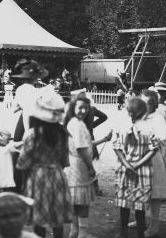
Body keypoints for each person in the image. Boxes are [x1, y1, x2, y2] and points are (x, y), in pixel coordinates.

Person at [17, 88, 72, 238]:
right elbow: (65, 161)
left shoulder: (32, 135)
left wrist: (23, 186)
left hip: (37, 178)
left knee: (38, 217)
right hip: (57, 176)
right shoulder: (62, 134)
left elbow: (23, 163)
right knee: (57, 216)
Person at [64, 94, 111, 238]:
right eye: (80, 107)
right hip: (79, 165)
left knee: (75, 201)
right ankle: (82, 233)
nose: (83, 111)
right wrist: (90, 167)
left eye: (86, 108)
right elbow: (81, 149)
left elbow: (85, 144)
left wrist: (103, 139)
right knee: (82, 202)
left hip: (73, 165)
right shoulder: (77, 124)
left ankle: (74, 230)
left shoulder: (74, 122)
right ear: (73, 108)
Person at [113, 97, 160, 238]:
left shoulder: (122, 126)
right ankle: (140, 233)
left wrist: (128, 165)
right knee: (140, 206)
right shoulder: (148, 128)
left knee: (124, 203)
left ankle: (123, 232)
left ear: (128, 111)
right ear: (144, 111)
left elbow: (117, 148)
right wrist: (138, 164)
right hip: (143, 170)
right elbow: (154, 149)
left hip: (124, 170)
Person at [11, 59, 48, 193]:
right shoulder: (36, 91)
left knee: (17, 148)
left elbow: (15, 108)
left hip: (22, 119)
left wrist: (22, 106)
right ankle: (29, 183)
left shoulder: (20, 89)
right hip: (32, 120)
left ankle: (16, 182)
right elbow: (34, 108)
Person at [140, 90, 166, 238]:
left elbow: (161, 139)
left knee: (154, 195)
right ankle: (141, 220)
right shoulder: (138, 116)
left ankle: (155, 225)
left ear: (154, 104)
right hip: (138, 158)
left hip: (152, 159)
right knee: (140, 191)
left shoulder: (158, 119)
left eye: (148, 103)